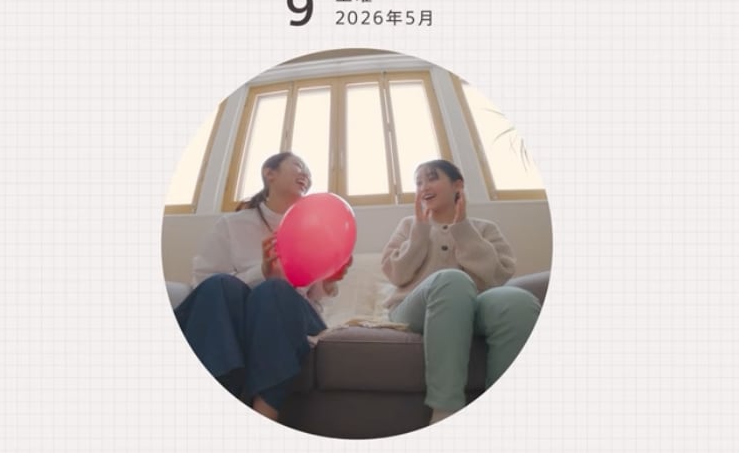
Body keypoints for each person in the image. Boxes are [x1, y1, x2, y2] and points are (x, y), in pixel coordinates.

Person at [173, 152, 350, 421]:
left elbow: (317, 299)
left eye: (309, 172)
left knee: (274, 290)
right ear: (270, 173)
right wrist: (262, 272)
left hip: (291, 317)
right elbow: (203, 283)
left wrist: (330, 279)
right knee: (220, 285)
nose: (306, 174)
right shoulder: (232, 225)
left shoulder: (315, 229)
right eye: (298, 166)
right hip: (236, 322)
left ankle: (266, 411)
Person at [381, 159, 541, 424]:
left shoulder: (484, 228)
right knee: (452, 280)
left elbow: (496, 276)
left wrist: (463, 228)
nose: (424, 187)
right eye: (419, 182)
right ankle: (445, 411)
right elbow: (397, 274)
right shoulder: (409, 225)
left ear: (457, 185)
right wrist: (420, 231)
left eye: (432, 178)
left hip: (474, 308)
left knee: (517, 301)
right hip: (412, 310)